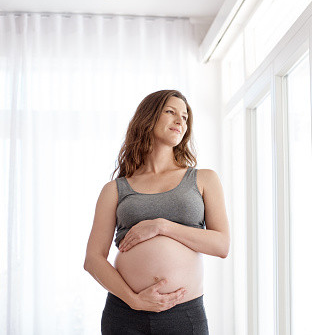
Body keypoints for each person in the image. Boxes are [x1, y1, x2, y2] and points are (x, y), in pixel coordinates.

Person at [84, 90, 230, 334]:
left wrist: (162, 225)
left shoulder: (204, 179)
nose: (180, 121)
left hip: (184, 315)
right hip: (125, 312)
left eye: (185, 117)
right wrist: (134, 300)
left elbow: (221, 245)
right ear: (148, 118)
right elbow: (93, 259)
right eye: (171, 112)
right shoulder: (115, 189)